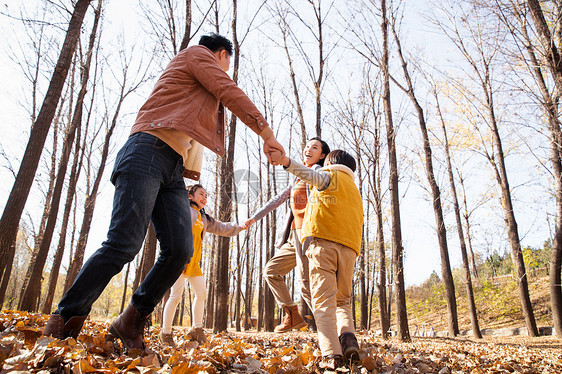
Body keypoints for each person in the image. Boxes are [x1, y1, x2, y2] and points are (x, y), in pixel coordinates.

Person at [43, 33, 285, 350]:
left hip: (172, 170)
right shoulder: (198, 55)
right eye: (227, 63)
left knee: (180, 250)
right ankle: (65, 319)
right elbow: (228, 90)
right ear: (223, 54)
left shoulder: (196, 81)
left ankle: (130, 321)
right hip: (146, 151)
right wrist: (266, 133)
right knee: (124, 243)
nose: (225, 70)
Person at [269, 149, 363, 369]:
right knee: (343, 301)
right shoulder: (354, 190)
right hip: (349, 249)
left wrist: (285, 161)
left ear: (329, 163)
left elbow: (309, 175)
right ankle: (349, 339)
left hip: (323, 244)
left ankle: (332, 354)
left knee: (322, 302)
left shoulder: (330, 176)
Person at [244, 137, 330, 333]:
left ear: (322, 155)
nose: (309, 149)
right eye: (307, 146)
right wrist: (254, 218)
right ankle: (292, 314)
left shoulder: (317, 172)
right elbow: (277, 199)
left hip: (307, 233)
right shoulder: (297, 178)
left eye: (315, 148)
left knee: (307, 285)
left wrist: (285, 161)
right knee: (271, 271)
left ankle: (330, 330)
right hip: (292, 237)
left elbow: (310, 175)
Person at [159, 184, 244, 347]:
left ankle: (196, 329)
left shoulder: (203, 217)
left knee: (202, 293)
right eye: (201, 194)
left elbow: (222, 227)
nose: (204, 197)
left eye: (206, 195)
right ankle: (166, 332)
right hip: (179, 260)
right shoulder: (183, 210)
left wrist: (240, 226)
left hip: (194, 263)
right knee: (175, 297)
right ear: (190, 196)